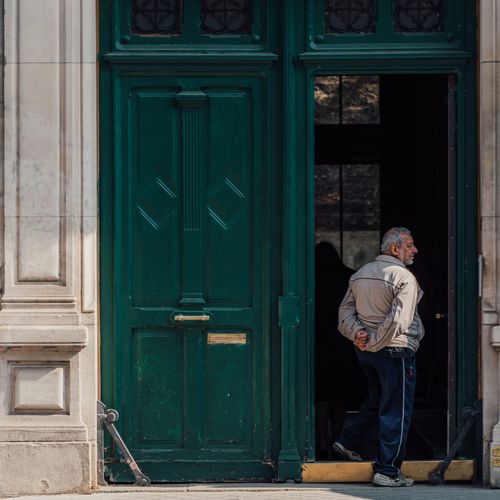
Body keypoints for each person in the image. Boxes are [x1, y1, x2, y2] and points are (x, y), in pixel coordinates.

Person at [332, 227, 424, 487]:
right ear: (395, 249)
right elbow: (398, 322)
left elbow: (344, 313)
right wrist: (373, 341)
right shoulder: (404, 278)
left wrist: (358, 334)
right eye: (410, 245)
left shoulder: (360, 273)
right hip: (395, 350)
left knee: (377, 398)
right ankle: (388, 471)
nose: (415, 250)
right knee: (397, 410)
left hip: (366, 353)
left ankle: (349, 441)